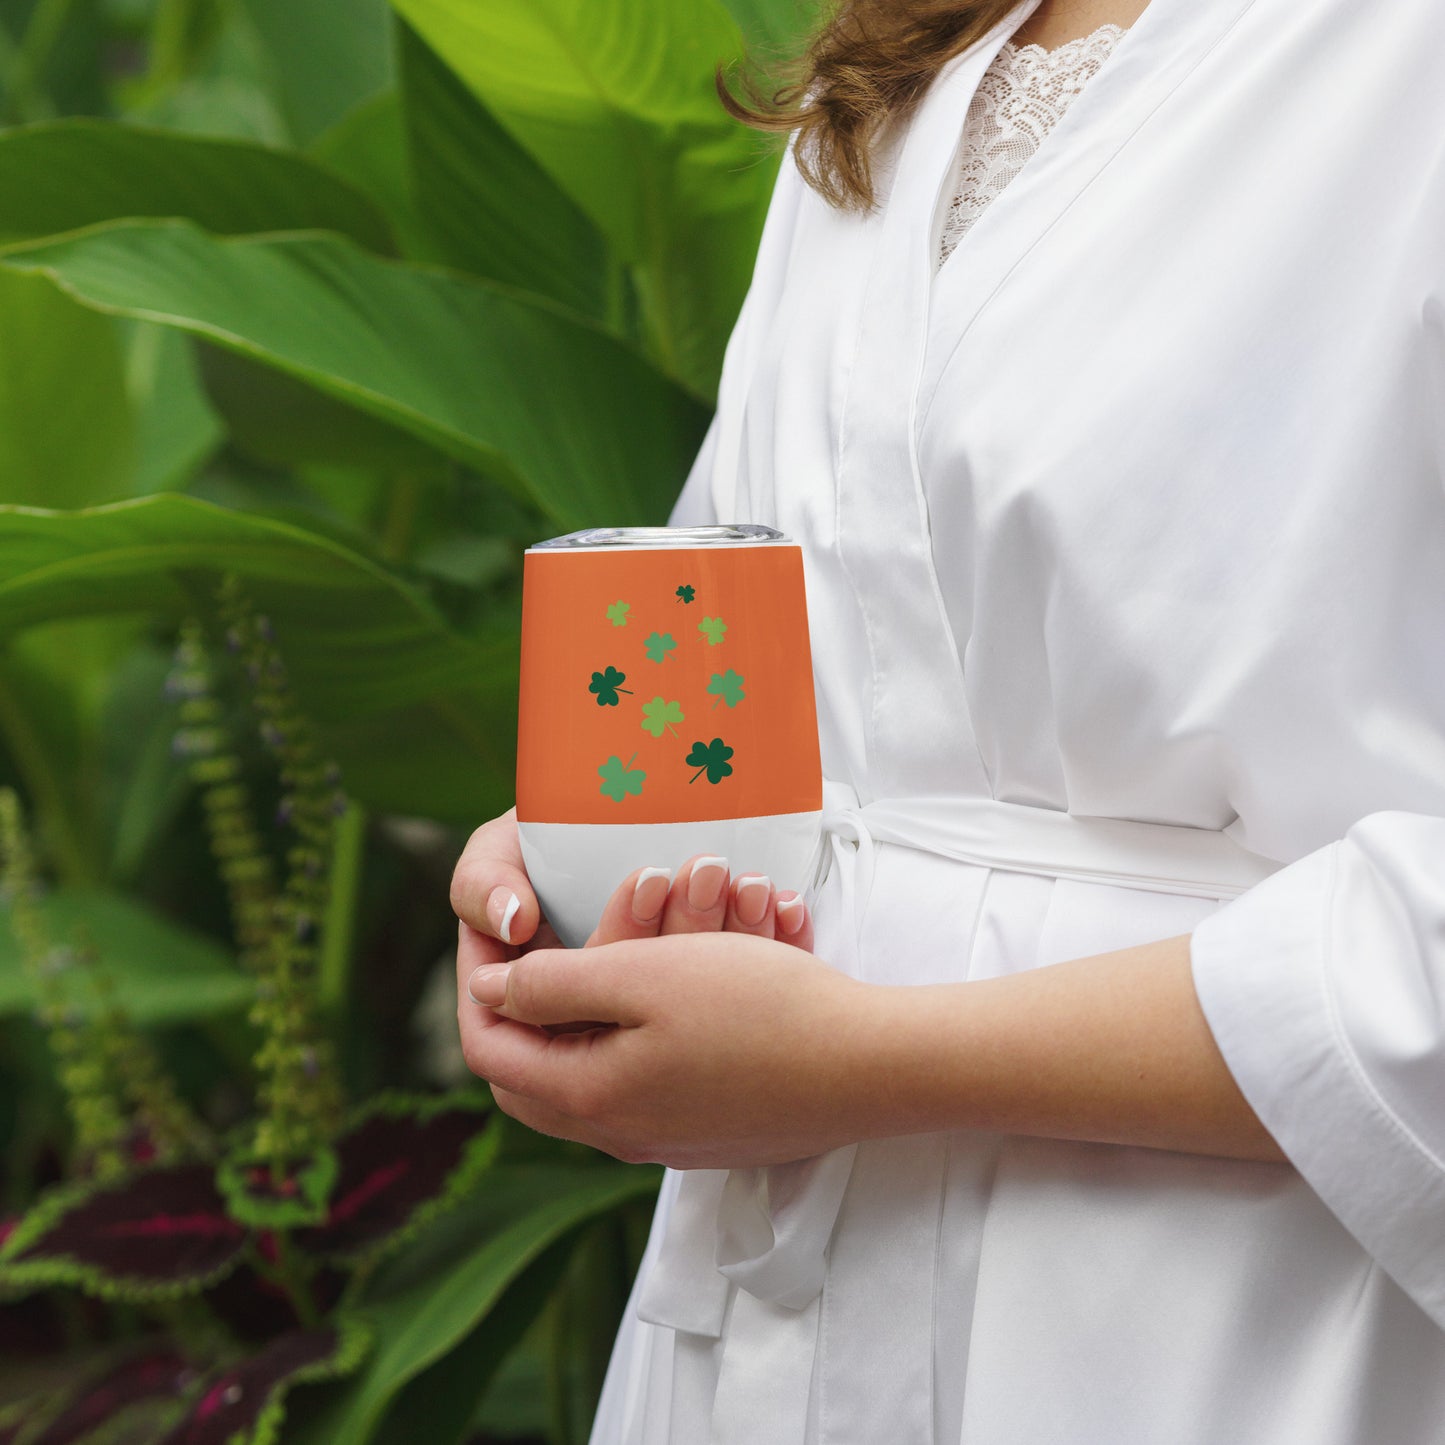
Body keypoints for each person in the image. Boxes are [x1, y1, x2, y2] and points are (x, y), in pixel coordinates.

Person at [451, 0, 1445, 1438]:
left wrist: (867, 1059)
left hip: (1233, 1316)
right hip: (780, 1308)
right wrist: (579, 865)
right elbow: (792, 645)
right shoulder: (907, 53)